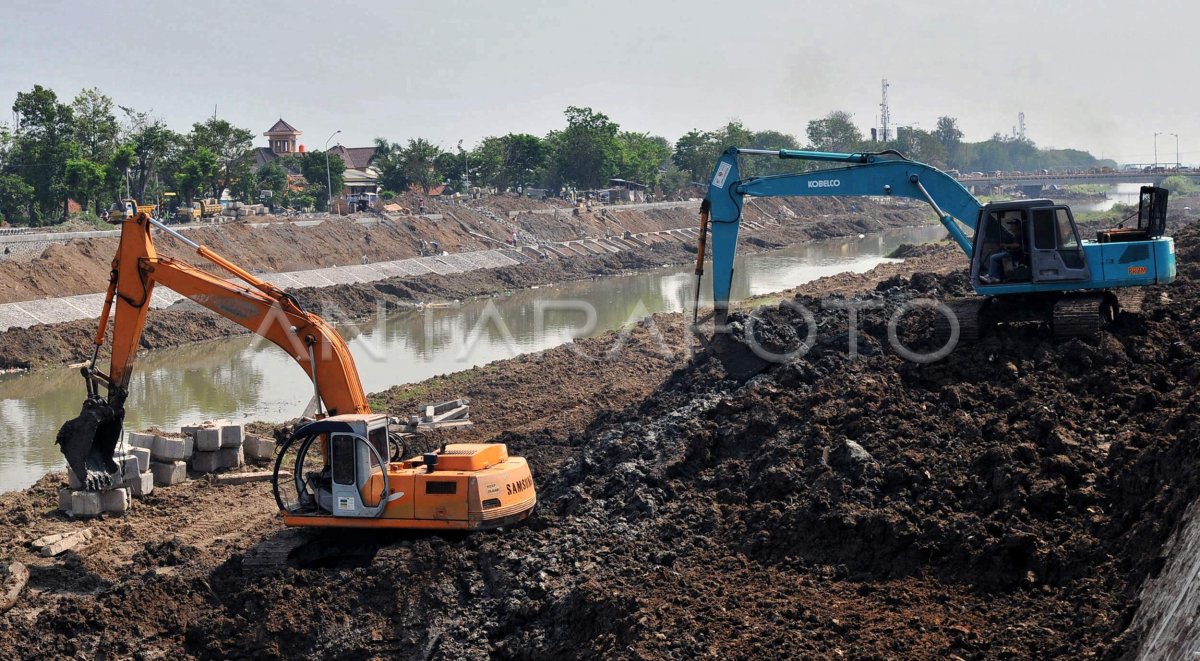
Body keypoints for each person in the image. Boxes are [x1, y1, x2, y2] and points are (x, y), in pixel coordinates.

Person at [981, 217, 1023, 284]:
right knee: (998, 255)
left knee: (993, 258)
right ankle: (995, 276)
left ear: (1017, 225)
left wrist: (1006, 245)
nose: (1011, 226)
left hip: (1015, 254)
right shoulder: (1016, 234)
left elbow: (1017, 245)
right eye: (1011, 225)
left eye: (1013, 225)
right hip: (1013, 252)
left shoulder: (1019, 234)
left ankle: (991, 276)